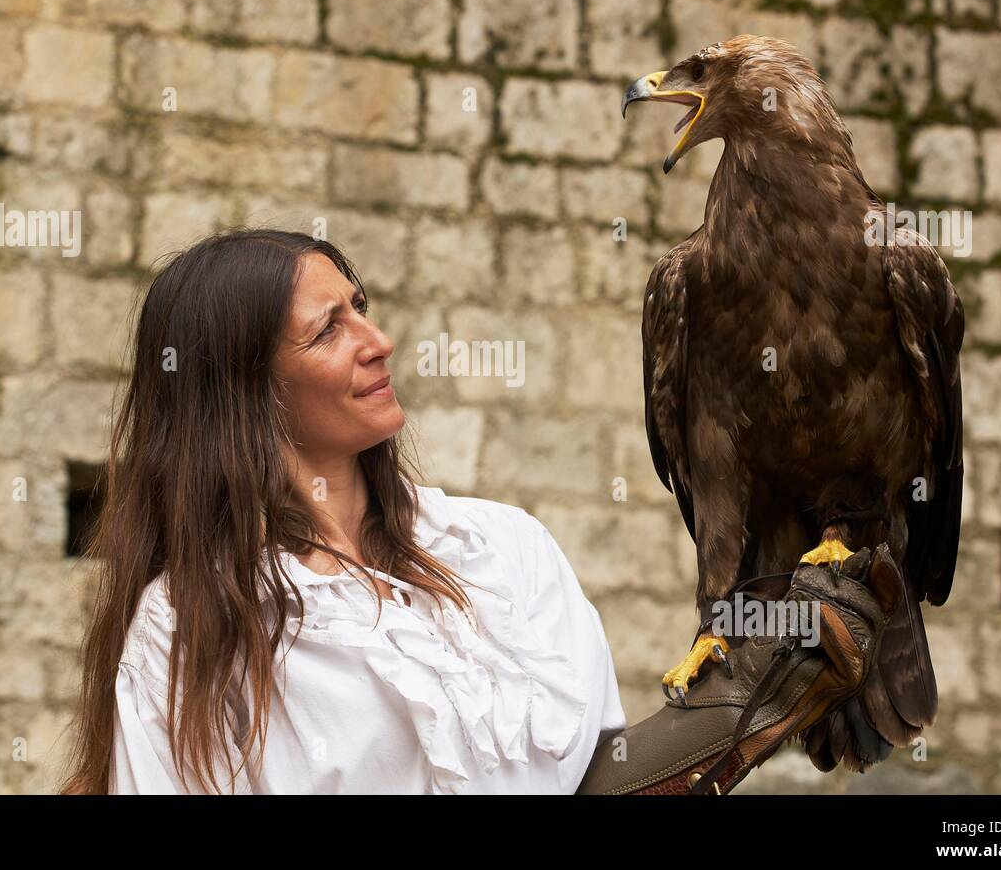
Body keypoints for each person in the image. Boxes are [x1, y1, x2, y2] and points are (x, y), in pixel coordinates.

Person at [58, 227, 627, 794]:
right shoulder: (189, 624)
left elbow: (612, 764)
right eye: (327, 330)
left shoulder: (503, 547)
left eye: (360, 308)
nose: (378, 341)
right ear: (244, 389)